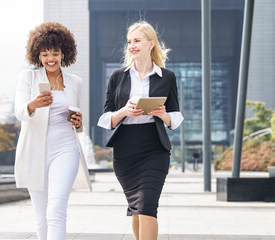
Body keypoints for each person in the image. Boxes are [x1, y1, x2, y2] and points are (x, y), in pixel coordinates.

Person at [98, 21, 184, 240]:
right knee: (137, 209)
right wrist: (124, 111)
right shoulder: (118, 76)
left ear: (150, 44)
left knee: (146, 205)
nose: (132, 46)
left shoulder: (167, 77)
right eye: (129, 42)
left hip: (155, 148)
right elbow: (106, 117)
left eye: (137, 41)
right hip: (126, 150)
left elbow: (175, 115)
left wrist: (162, 114)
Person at [14, 22, 92, 240]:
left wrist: (78, 123)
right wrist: (33, 104)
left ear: (64, 53)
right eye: (45, 53)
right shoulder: (27, 78)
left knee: (56, 209)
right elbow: (19, 111)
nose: (50, 58)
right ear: (37, 55)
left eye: (55, 53)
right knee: (41, 216)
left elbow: (76, 119)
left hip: (66, 149)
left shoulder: (75, 82)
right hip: (34, 152)